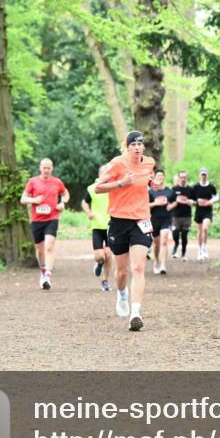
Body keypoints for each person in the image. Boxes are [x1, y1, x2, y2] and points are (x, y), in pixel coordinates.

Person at [94, 131, 156, 332]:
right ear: (127, 147)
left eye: (140, 144)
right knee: (122, 271)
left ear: (143, 147)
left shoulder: (149, 163)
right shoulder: (117, 164)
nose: (137, 147)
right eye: (133, 144)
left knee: (138, 268)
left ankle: (135, 313)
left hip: (141, 220)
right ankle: (121, 294)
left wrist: (151, 183)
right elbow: (98, 188)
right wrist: (121, 183)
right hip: (119, 221)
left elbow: (148, 181)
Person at [20, 158, 69, 290]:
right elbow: (23, 199)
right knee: (39, 249)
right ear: (40, 168)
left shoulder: (57, 182)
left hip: (52, 218)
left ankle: (48, 275)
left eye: (49, 168)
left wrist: (62, 203)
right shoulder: (33, 181)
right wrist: (34, 199)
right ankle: (42, 270)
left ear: (52, 168)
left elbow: (65, 193)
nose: (46, 170)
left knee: (49, 246)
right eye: (44, 167)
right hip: (37, 220)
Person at [82, 164, 114, 292]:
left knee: (109, 254)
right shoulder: (91, 189)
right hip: (97, 226)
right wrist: (89, 213)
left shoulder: (113, 188)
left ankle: (105, 280)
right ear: (100, 175)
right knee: (100, 256)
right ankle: (99, 262)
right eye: (104, 173)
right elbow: (84, 202)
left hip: (111, 226)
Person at [148, 170, 175, 275]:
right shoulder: (151, 192)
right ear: (155, 178)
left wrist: (171, 206)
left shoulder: (169, 191)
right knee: (156, 242)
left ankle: (163, 266)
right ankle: (156, 261)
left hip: (166, 218)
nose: (160, 177)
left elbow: (174, 202)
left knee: (164, 240)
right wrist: (155, 203)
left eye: (162, 176)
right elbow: (146, 205)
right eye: (158, 176)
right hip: (154, 219)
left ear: (164, 177)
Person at [192, 167, 218, 261]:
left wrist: (210, 201)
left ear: (207, 175)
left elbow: (216, 196)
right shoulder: (196, 186)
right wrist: (197, 201)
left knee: (205, 228)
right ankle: (199, 250)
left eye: (205, 174)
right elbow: (192, 198)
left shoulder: (211, 186)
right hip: (199, 211)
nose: (203, 176)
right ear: (199, 175)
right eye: (202, 174)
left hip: (208, 210)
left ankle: (204, 246)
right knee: (199, 231)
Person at [169, 170, 195, 261]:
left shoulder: (190, 189)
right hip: (176, 216)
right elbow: (170, 203)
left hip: (187, 216)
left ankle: (184, 253)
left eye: (185, 177)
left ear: (187, 178)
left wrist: (189, 201)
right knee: (175, 233)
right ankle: (176, 244)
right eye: (181, 177)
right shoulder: (174, 189)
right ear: (179, 178)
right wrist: (177, 201)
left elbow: (194, 202)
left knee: (184, 235)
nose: (183, 179)